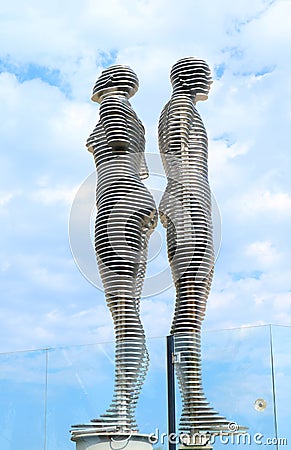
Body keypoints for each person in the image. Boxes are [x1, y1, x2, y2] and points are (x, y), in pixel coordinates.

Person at [159, 57, 234, 436]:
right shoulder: (178, 108)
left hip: (191, 202)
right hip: (187, 203)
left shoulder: (184, 109)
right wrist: (186, 207)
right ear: (189, 77)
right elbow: (175, 159)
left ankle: (194, 405)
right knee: (189, 302)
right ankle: (193, 406)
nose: (210, 79)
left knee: (194, 304)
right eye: (205, 72)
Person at [86, 65, 157, 432]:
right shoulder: (130, 116)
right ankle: (123, 406)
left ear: (109, 83)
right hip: (129, 201)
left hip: (119, 203)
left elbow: (122, 154)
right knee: (125, 307)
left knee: (122, 307)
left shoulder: (113, 108)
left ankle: (123, 407)